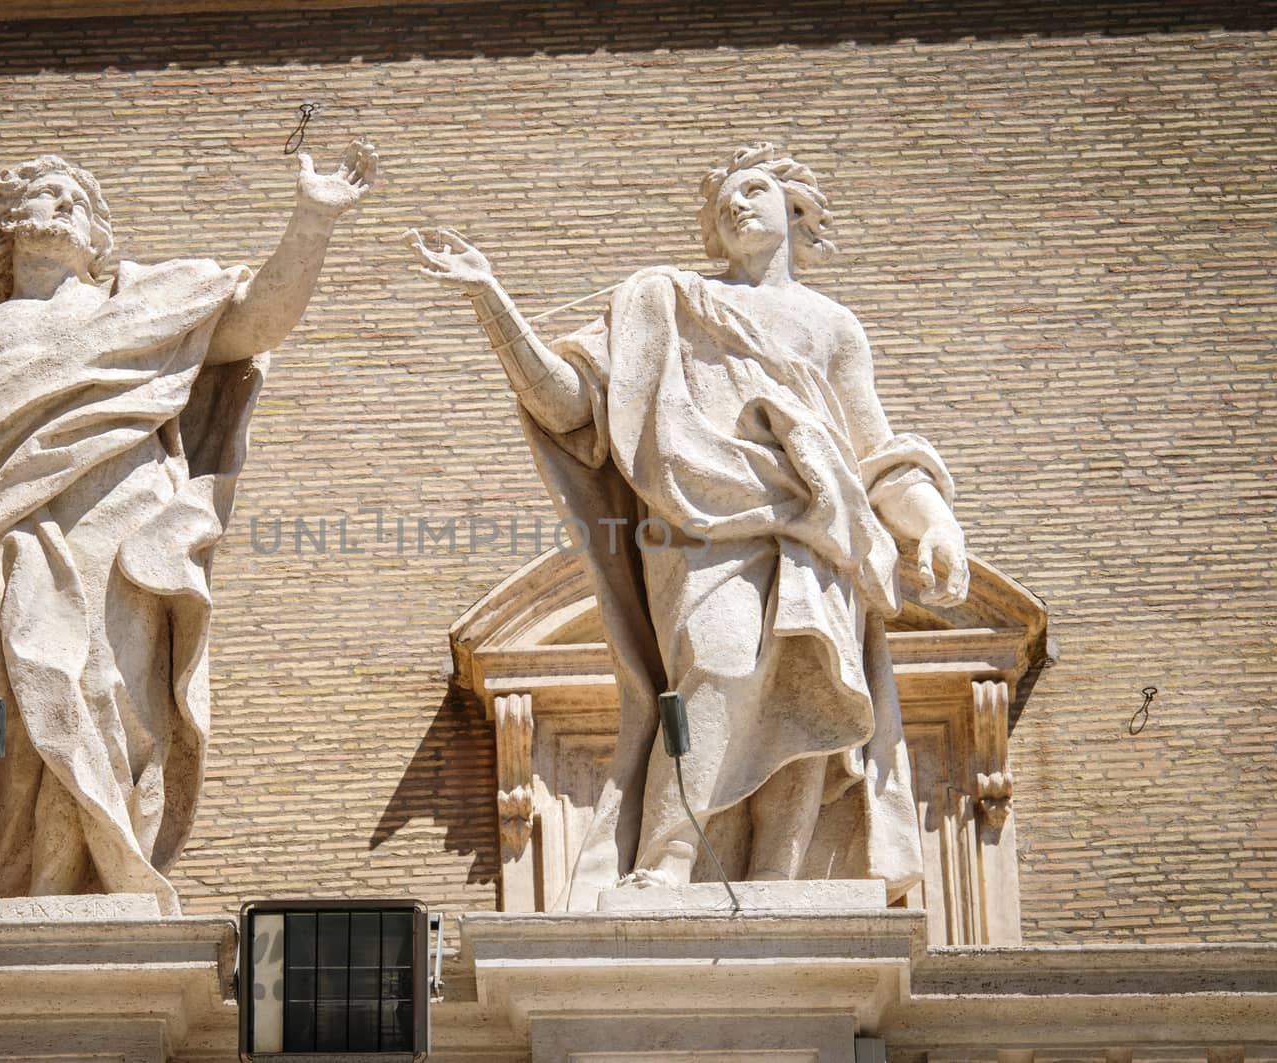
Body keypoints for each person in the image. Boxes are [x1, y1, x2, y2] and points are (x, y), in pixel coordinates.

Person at [409, 143, 967, 909]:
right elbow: (571, 406)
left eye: (756, 188)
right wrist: (492, 302)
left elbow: (874, 455)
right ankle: (669, 857)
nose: (737, 205)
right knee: (722, 659)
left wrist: (934, 520)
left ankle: (776, 875)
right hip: (700, 531)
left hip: (816, 535)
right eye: (723, 201)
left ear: (796, 208)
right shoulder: (662, 303)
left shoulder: (831, 328)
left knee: (813, 682)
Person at [0, 143, 376, 912]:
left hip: (112, 545)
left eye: (78, 196)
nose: (65, 203)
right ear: (5, 224)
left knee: (100, 702)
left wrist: (312, 218)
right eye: (45, 192)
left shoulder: (142, 308)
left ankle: (84, 882)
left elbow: (259, 319)